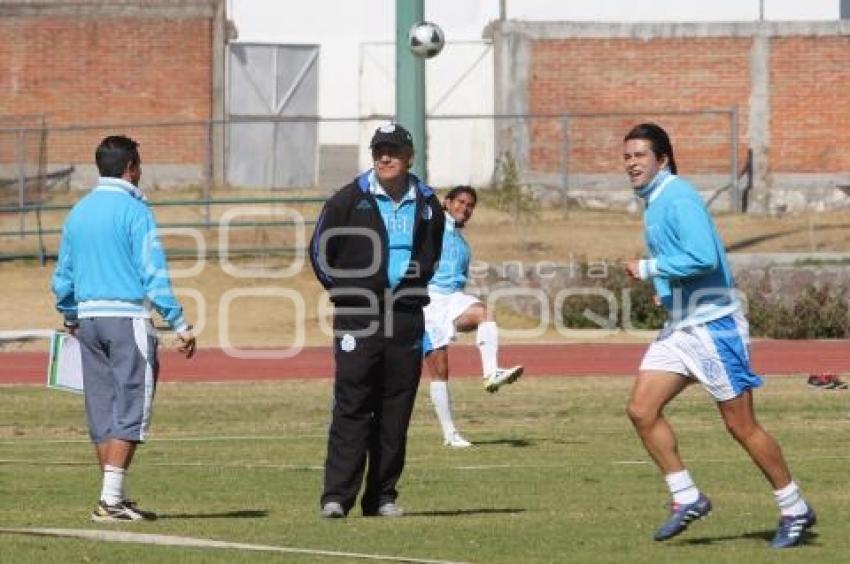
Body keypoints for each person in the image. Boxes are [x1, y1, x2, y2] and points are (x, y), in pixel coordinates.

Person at [622, 123, 815, 548]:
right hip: (682, 327)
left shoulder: (678, 196)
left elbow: (703, 257)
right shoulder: (654, 201)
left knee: (741, 425)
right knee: (641, 410)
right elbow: (676, 258)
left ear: (663, 159)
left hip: (713, 326)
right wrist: (663, 293)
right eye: (627, 157)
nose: (632, 163)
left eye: (639, 155)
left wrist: (649, 270)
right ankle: (687, 497)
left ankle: (794, 506)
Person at [52, 135, 196, 522]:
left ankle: (115, 495)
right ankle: (109, 501)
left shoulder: (78, 211)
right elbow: (153, 273)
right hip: (126, 319)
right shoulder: (135, 210)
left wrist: (70, 314)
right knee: (132, 405)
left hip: (88, 320)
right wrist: (179, 323)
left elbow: (63, 275)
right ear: (131, 166)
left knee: (103, 409)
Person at [309, 122, 444, 518]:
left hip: (405, 317)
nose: (385, 157)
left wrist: (412, 283)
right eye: (379, 151)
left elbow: (432, 251)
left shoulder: (428, 202)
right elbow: (320, 251)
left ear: (409, 156)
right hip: (359, 315)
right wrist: (347, 292)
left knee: (396, 407)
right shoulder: (348, 199)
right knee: (352, 403)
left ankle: (382, 496)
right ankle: (337, 496)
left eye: (393, 151)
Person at [423, 185, 523, 448]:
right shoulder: (432, 224)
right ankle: (449, 433)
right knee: (440, 370)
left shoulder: (463, 245)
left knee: (484, 313)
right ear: (447, 203)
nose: (464, 209)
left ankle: (491, 373)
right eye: (460, 203)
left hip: (453, 298)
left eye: (470, 206)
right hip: (427, 302)